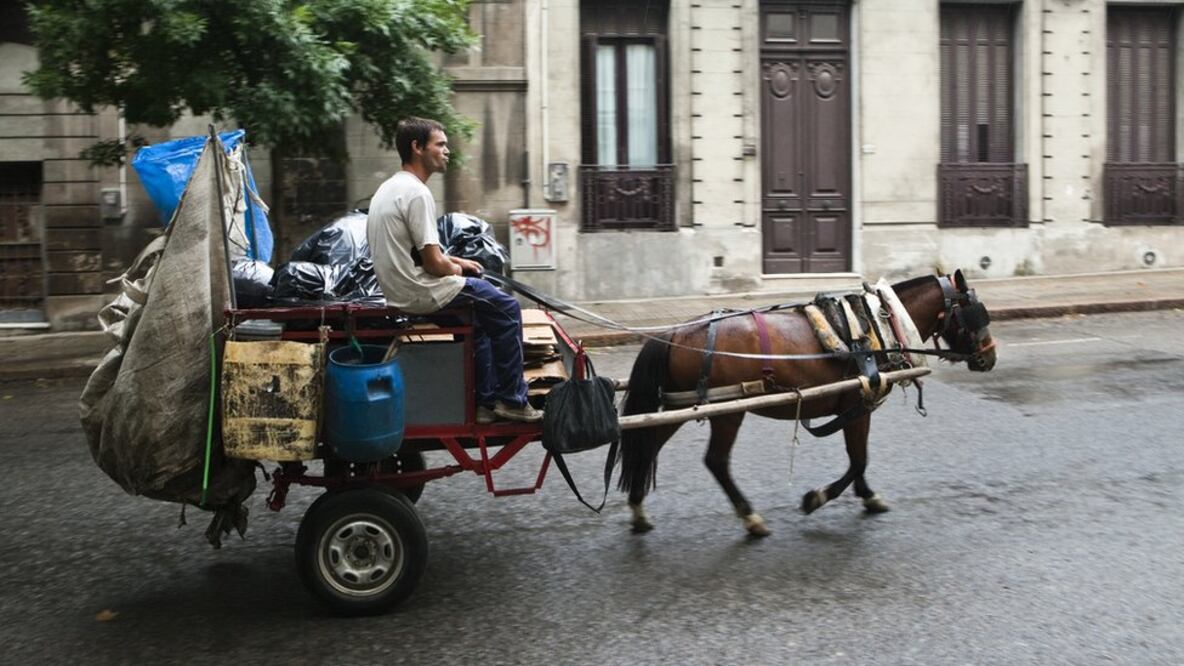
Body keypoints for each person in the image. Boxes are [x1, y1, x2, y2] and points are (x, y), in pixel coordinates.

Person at [366, 117, 542, 423]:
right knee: (507, 308)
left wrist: (458, 262)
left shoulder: (390, 188)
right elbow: (434, 264)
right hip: (423, 290)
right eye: (440, 144)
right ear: (417, 147)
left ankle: (485, 404)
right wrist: (458, 272)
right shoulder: (417, 194)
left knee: (481, 322)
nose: (447, 151)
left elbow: (421, 252)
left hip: (400, 290)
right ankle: (513, 399)